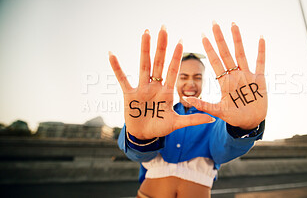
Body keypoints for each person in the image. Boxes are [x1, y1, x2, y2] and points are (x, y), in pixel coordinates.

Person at [109, 21, 268, 198]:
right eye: (184, 77)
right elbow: (139, 157)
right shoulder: (155, 113)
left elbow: (222, 151)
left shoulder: (215, 118)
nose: (191, 83)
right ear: (175, 80)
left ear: (204, 81)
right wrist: (140, 137)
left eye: (197, 77)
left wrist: (245, 127)